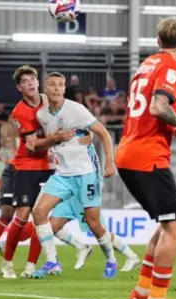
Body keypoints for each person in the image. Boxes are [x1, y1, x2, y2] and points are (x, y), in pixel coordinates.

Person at [116, 16, 176, 299]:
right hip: (147, 156)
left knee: (165, 226)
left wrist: (172, 128)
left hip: (129, 152)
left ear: (159, 41)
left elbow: (147, 112)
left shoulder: (146, 65)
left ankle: (141, 291)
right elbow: (158, 107)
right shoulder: (171, 67)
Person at [28, 72, 118, 279]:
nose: (57, 88)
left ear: (64, 88)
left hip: (85, 174)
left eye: (60, 85)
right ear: (46, 89)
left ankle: (111, 260)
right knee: (39, 212)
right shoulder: (42, 115)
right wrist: (54, 138)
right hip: (62, 174)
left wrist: (109, 162)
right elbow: (38, 143)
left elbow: (103, 133)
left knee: (93, 222)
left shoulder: (76, 110)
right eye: (52, 85)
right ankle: (52, 262)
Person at [0, 66, 55, 279]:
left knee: (41, 217)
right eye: (25, 81)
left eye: (33, 79)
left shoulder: (49, 100)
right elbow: (32, 145)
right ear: (19, 87)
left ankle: (31, 266)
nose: (31, 83)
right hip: (26, 166)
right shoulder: (20, 112)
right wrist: (57, 138)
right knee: (22, 216)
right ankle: (7, 263)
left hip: (48, 167)